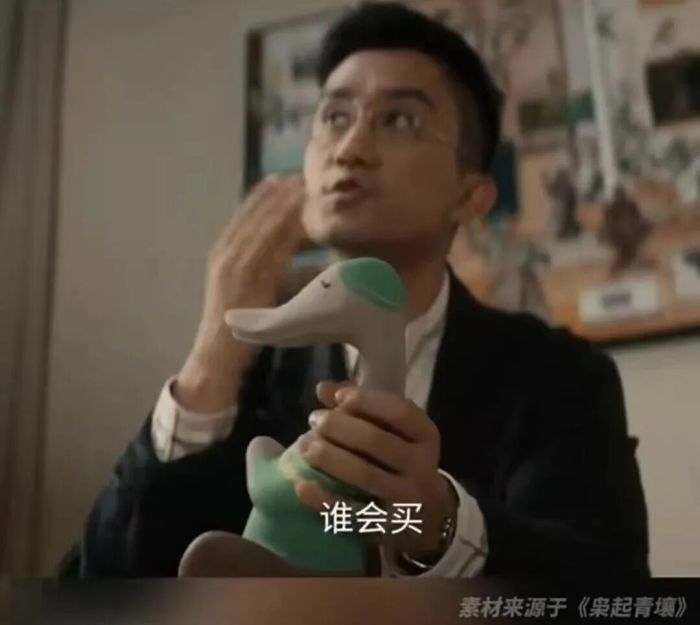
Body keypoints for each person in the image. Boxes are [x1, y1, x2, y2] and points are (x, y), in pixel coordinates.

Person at [68, 3, 649, 579]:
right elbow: (103, 586)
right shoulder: (249, 377)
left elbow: (609, 588)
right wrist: (209, 362)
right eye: (333, 117)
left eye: (399, 120)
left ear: (471, 195)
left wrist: (442, 528)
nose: (349, 149)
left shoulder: (558, 379)